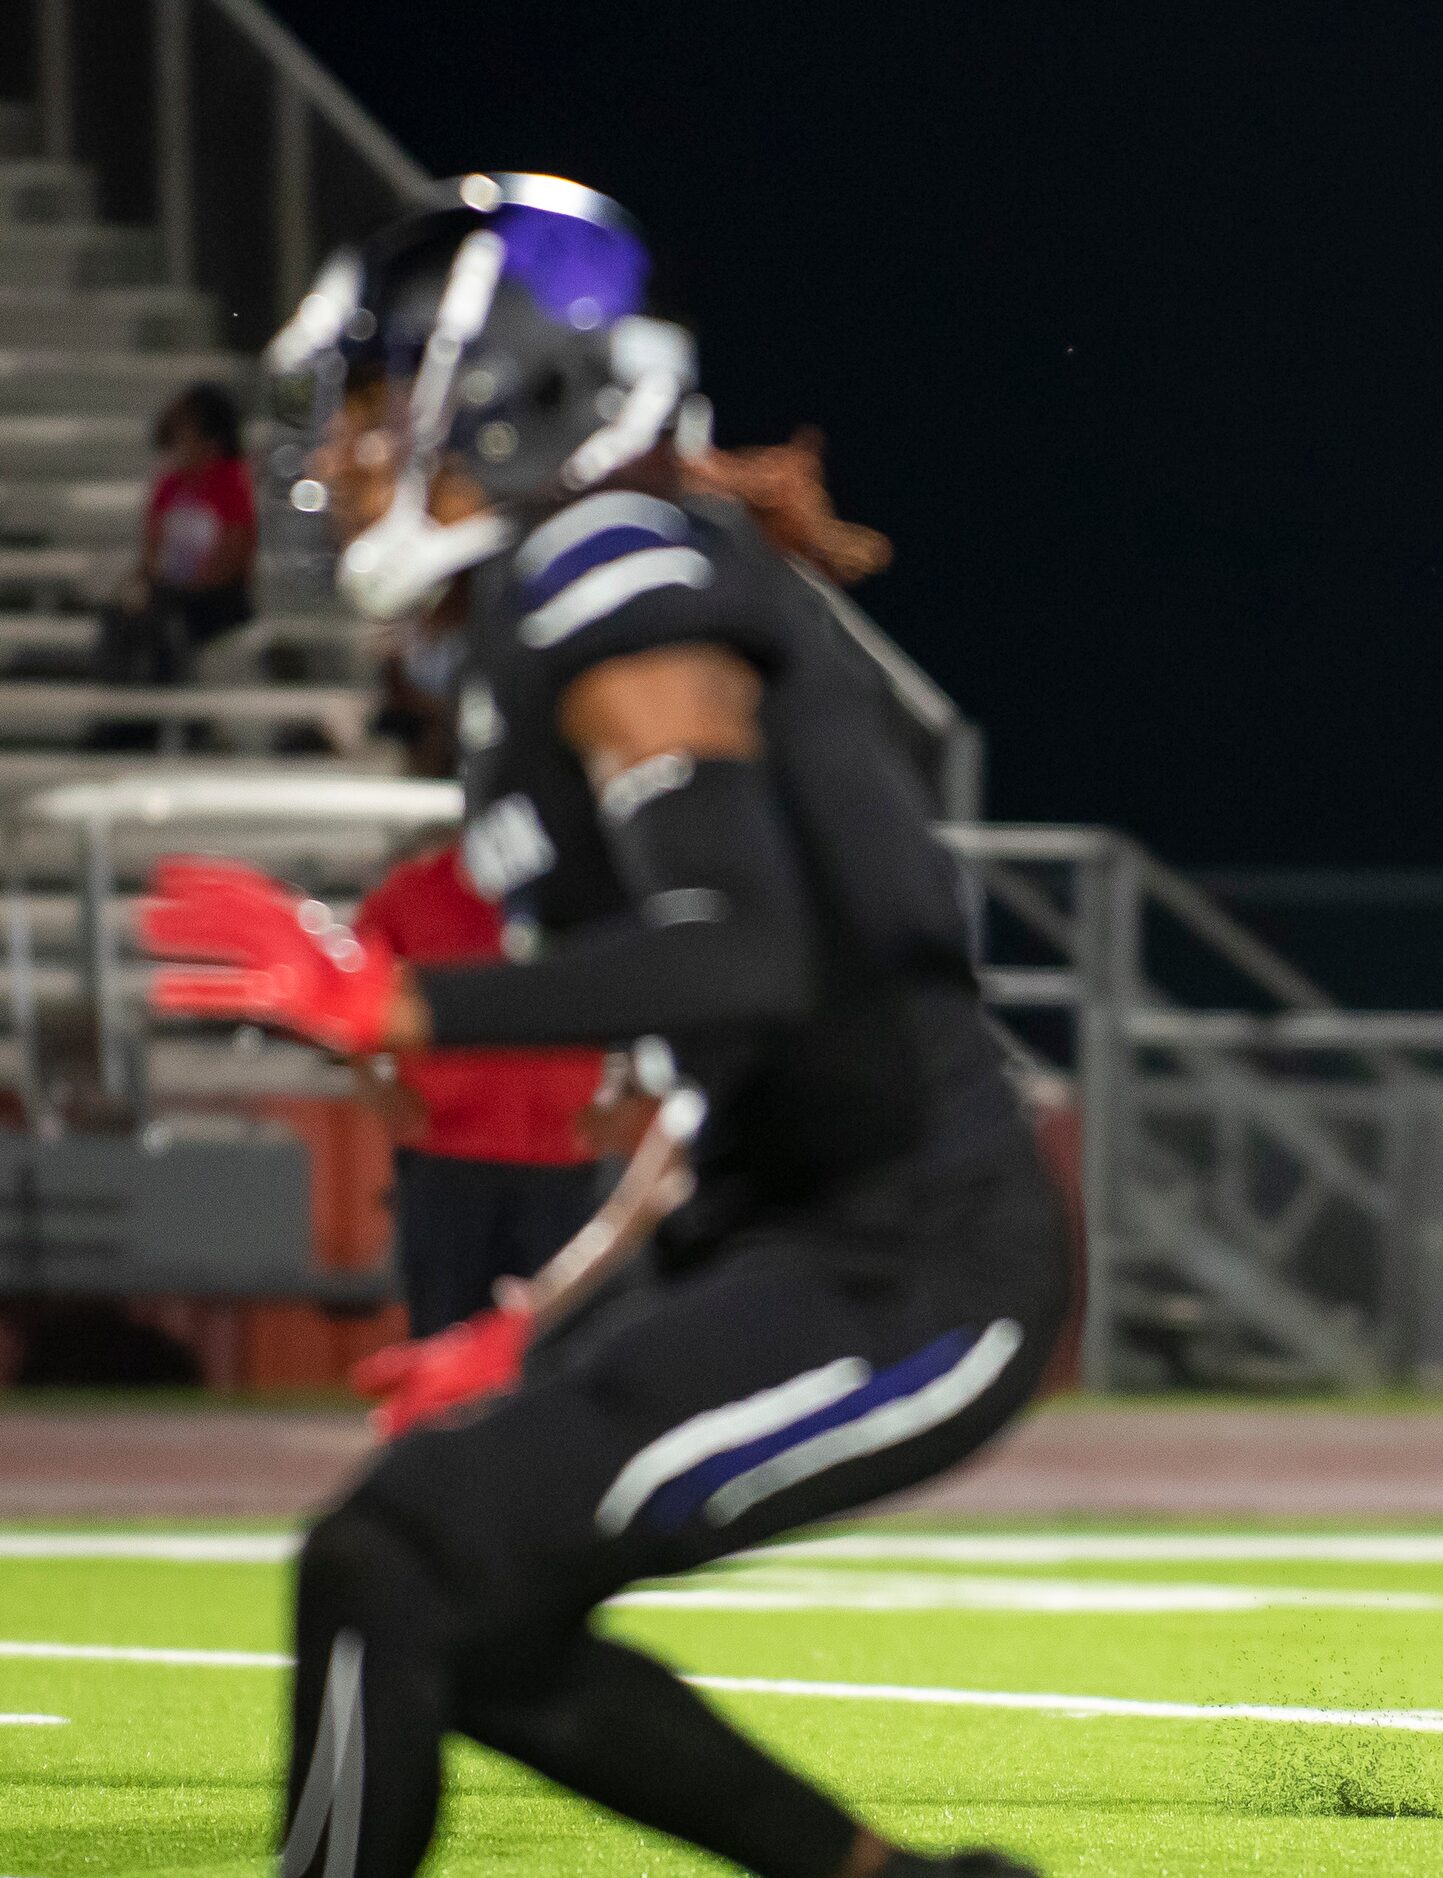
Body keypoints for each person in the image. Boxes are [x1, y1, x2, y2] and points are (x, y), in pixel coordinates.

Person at [139, 175, 1059, 1878]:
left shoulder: (608, 567)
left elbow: (740, 954)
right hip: (798, 1235)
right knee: (464, 1613)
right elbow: (718, 1066)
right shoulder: (549, 600)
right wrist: (543, 1317)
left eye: (363, 401)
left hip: (912, 1266)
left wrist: (405, 993)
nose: (333, 454)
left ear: (498, 384)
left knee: (391, 1554)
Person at [350, 834, 611, 1337]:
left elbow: (643, 989)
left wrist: (623, 1091)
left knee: (561, 1341)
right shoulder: (414, 891)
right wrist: (377, 1087)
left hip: (561, 1156)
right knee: (443, 1337)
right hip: (449, 1153)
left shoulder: (588, 891)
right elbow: (350, 995)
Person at [97, 382, 258, 686]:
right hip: (170, 594)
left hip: (217, 599)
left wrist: (186, 585)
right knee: (126, 612)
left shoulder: (232, 482)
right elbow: (152, 550)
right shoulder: (169, 485)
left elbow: (232, 558)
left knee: (166, 618)